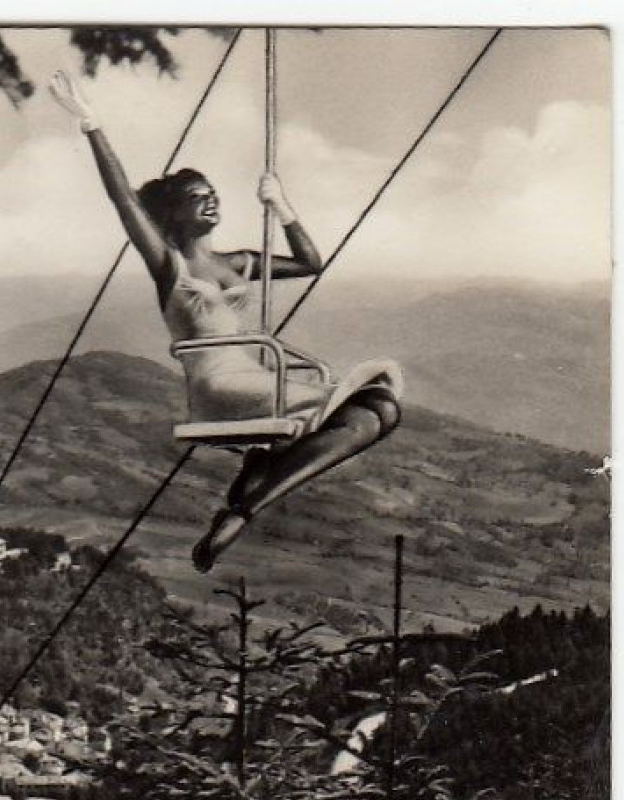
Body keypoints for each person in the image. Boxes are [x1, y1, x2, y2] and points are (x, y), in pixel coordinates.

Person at [49, 71, 403, 572]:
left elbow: (310, 262)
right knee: (369, 413)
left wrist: (281, 207)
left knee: (381, 408)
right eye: (197, 196)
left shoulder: (236, 263)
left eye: (212, 192)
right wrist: (90, 123)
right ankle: (246, 506)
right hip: (218, 387)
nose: (211, 199)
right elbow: (124, 200)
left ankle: (256, 480)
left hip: (260, 377)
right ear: (173, 215)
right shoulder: (170, 266)